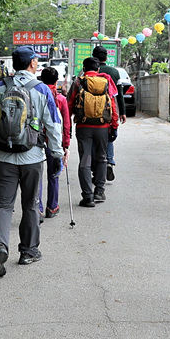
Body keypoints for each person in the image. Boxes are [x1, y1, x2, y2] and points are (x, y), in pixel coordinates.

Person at [0, 46, 63, 276]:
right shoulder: (41, 89)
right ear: (32, 63)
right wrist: (57, 154)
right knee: (30, 204)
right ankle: (28, 251)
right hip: (32, 156)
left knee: (2, 205)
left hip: (3, 156)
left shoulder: (0, 87)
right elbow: (53, 124)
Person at [66, 56, 119, 206]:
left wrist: (67, 127)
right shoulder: (105, 81)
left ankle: (88, 196)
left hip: (83, 127)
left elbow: (69, 105)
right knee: (102, 158)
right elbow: (112, 105)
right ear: (98, 69)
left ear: (84, 69)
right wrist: (114, 125)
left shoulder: (78, 82)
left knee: (85, 160)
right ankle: (99, 191)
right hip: (102, 127)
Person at [36, 67, 71, 218]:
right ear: (56, 82)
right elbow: (66, 124)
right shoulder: (61, 99)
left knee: (37, 175)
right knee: (54, 173)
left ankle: (37, 209)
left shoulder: (36, 94)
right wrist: (65, 145)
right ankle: (52, 207)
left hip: (37, 140)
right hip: (53, 141)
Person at [92, 46, 127, 182]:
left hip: (91, 111)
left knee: (93, 139)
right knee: (108, 136)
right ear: (106, 57)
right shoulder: (114, 72)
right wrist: (122, 112)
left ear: (94, 57)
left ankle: (95, 167)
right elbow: (120, 94)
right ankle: (109, 161)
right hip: (109, 110)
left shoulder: (89, 70)